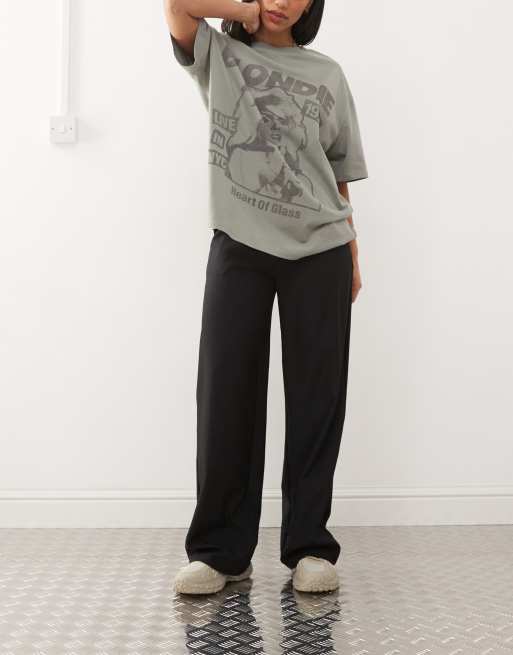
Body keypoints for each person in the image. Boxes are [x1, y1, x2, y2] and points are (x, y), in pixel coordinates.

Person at [163, 0, 368, 595]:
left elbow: (337, 174)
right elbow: (177, 5)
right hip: (240, 244)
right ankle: (220, 551)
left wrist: (353, 252)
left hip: (322, 249)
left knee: (317, 397)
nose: (282, 1)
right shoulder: (220, 55)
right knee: (226, 393)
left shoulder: (328, 74)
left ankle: (310, 546)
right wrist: (246, 12)